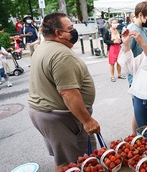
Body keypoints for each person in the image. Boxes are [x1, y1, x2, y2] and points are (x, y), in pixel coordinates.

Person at [28, 12, 100, 171]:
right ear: (58, 33)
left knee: (63, 161)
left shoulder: (43, 47)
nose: (74, 32)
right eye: (71, 28)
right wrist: (87, 121)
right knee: (77, 163)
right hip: (61, 119)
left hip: (45, 115)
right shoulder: (61, 54)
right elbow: (67, 93)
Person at [125, 1, 147, 133]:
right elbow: (127, 54)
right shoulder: (132, 31)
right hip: (136, 77)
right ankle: (135, 137)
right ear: (140, 15)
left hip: (145, 76)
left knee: (142, 111)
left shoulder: (144, 29)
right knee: (138, 112)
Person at [104, 18, 126, 82]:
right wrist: (113, 42)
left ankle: (119, 74)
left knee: (119, 62)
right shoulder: (108, 31)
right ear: (111, 23)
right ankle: (112, 76)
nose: (115, 24)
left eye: (116, 23)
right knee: (112, 63)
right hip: (112, 48)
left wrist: (120, 41)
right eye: (114, 23)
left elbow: (121, 39)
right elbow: (105, 40)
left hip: (118, 48)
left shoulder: (118, 31)